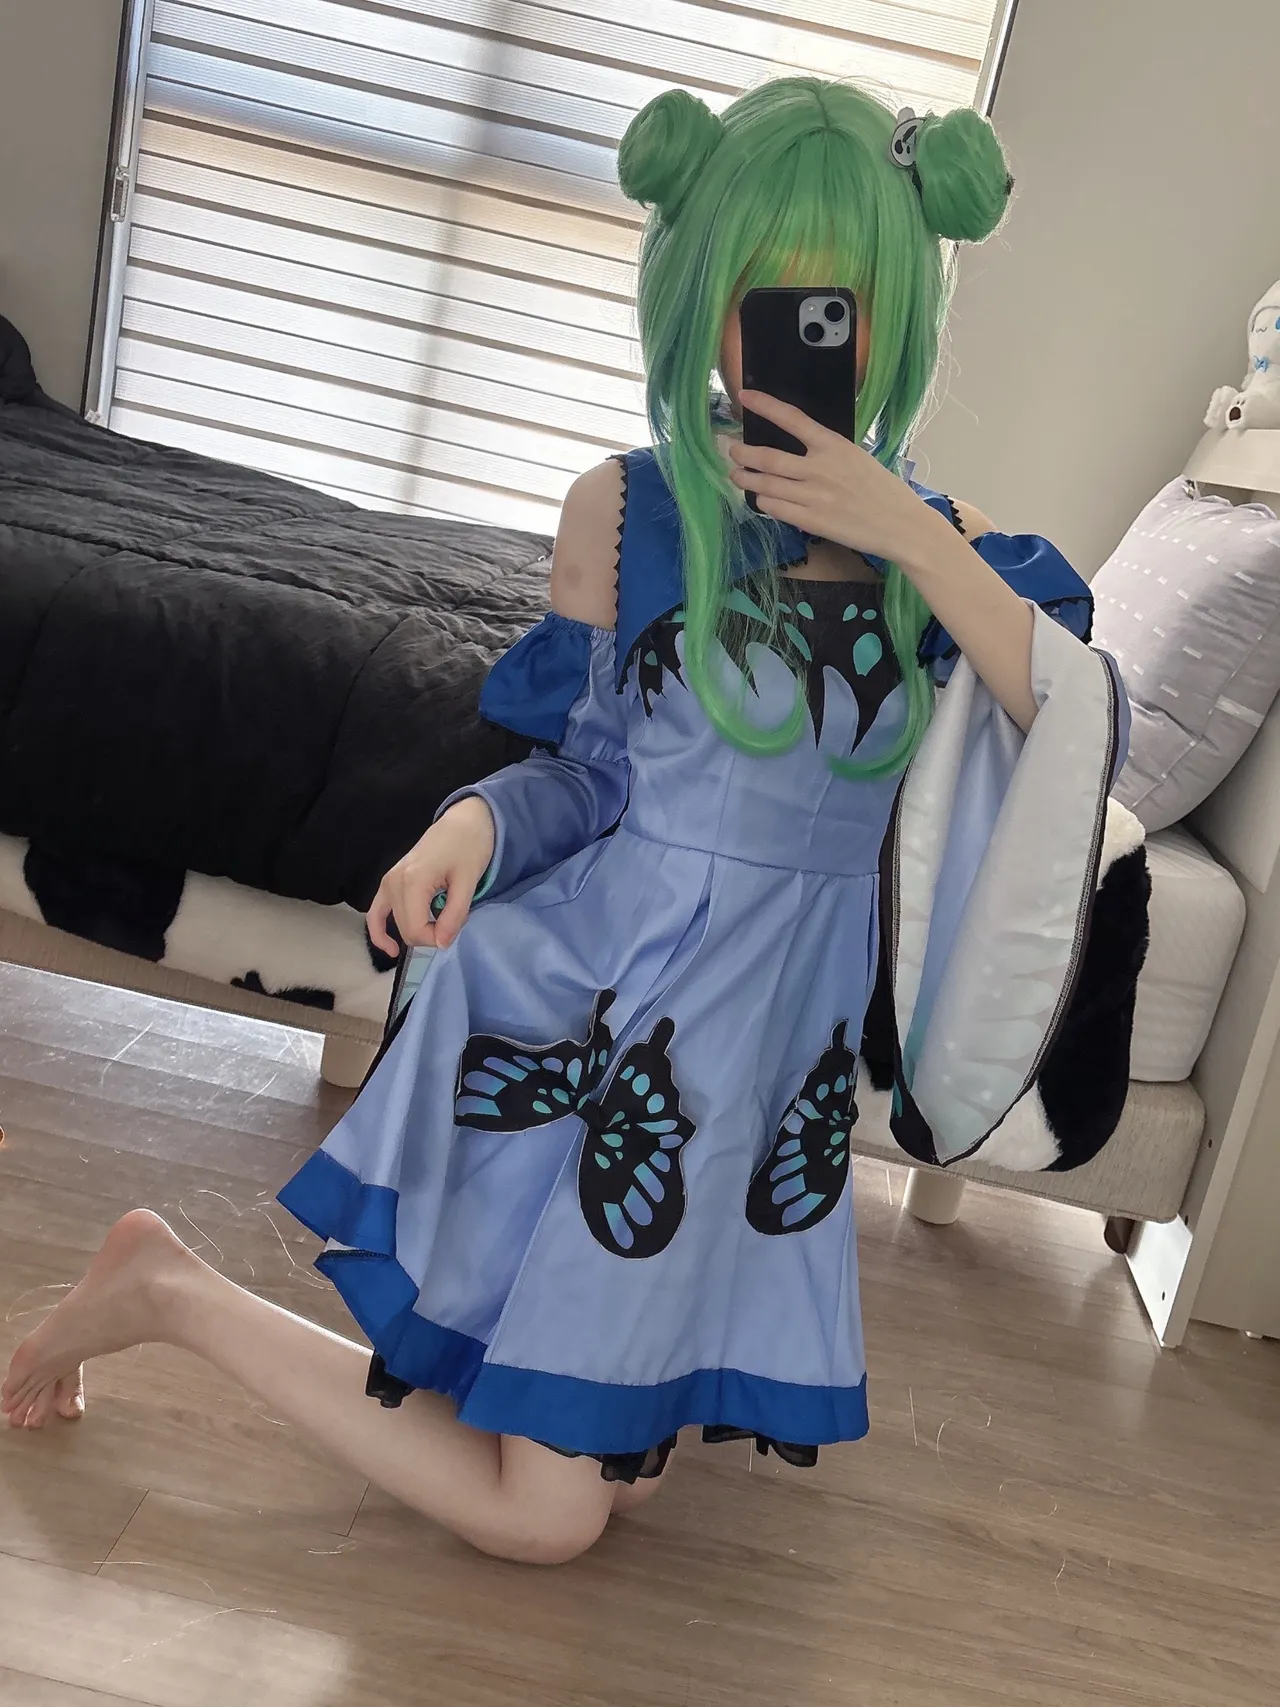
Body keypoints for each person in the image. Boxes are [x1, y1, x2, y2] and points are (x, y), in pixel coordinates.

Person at [1, 79, 1126, 1565]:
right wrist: (471, 826)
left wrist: (902, 528)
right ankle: (169, 1293)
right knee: (549, 1519)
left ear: (896, 312)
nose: (786, 340)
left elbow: (1072, 714)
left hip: (758, 1060)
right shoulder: (632, 509)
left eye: (833, 306)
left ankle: (307, 1329)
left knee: (617, 1477)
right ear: (699, 297)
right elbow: (592, 775)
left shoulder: (945, 557)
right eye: (755, 296)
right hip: (618, 1013)